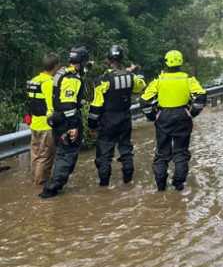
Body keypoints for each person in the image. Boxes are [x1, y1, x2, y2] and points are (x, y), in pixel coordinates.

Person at [141, 50, 207, 192]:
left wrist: (153, 116)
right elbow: (201, 96)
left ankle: (161, 187)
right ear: (180, 63)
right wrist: (192, 113)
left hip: (163, 117)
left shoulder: (159, 80)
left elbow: (145, 100)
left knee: (162, 153)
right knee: (181, 152)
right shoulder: (188, 79)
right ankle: (178, 185)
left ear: (166, 63)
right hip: (183, 116)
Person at [88, 45, 146, 186]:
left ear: (108, 60)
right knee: (125, 149)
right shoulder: (131, 77)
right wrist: (132, 72)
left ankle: (104, 186)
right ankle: (128, 180)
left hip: (108, 120)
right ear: (122, 59)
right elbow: (141, 86)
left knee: (105, 154)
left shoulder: (103, 80)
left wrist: (91, 124)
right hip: (125, 118)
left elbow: (96, 105)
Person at [40, 46, 90, 199]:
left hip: (58, 119)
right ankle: (51, 189)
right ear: (81, 61)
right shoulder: (71, 78)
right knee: (67, 155)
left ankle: (53, 186)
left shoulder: (62, 72)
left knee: (62, 153)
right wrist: (74, 126)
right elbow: (68, 103)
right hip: (67, 121)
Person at [26, 53, 60, 185]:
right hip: (46, 125)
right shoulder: (49, 83)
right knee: (45, 157)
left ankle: (35, 180)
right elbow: (51, 107)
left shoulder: (33, 80)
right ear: (55, 66)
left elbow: (30, 102)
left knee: (35, 155)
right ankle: (40, 184)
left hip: (34, 123)